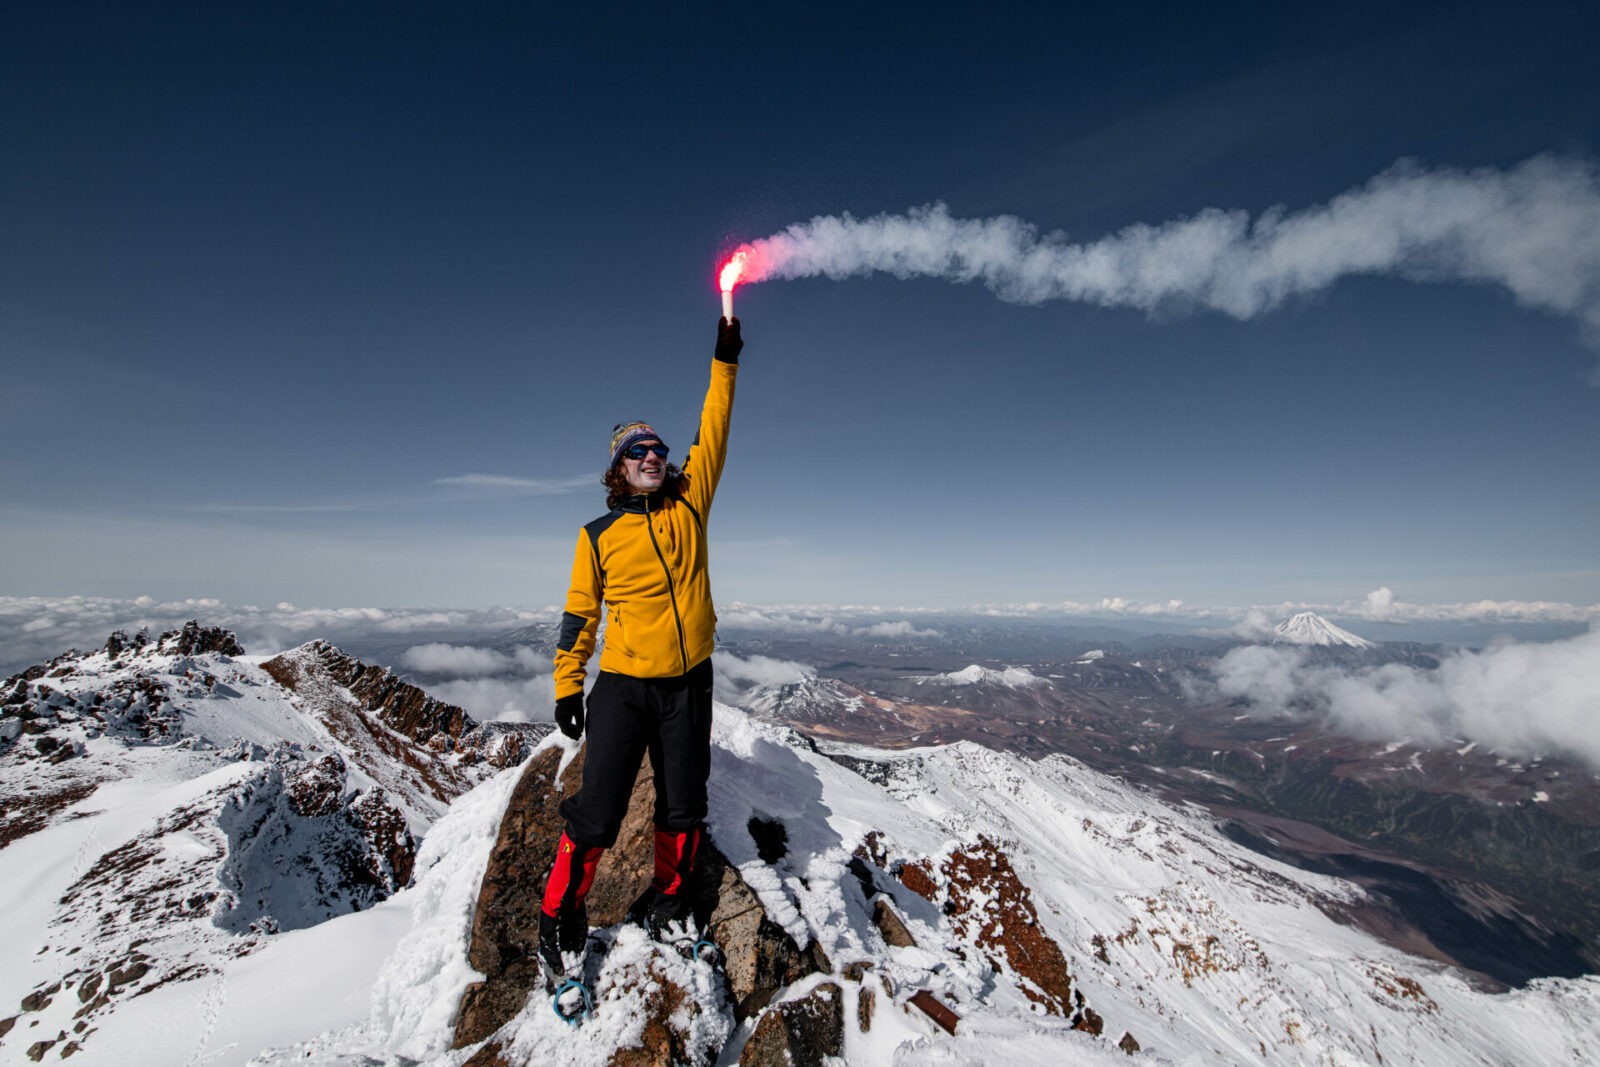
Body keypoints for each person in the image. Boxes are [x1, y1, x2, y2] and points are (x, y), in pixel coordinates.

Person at [537, 314, 744, 988]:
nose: (652, 456)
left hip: (689, 683)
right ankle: (558, 915)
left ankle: (670, 900)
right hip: (624, 687)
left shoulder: (691, 505)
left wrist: (724, 356)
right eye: (637, 451)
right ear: (619, 469)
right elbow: (578, 615)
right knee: (597, 812)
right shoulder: (597, 535)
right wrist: (569, 684)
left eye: (656, 447)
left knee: (683, 805)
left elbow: (713, 424)